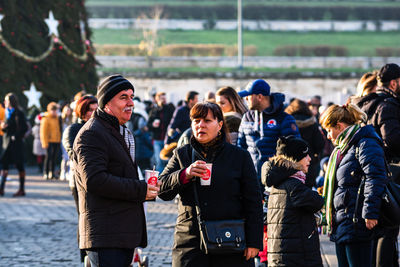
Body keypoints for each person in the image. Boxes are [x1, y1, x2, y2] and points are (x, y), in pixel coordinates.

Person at [158, 102, 263, 267]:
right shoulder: (182, 154)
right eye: (196, 121)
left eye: (207, 121)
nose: (201, 125)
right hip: (191, 241)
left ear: (219, 124)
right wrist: (184, 174)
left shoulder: (239, 157)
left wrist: (254, 241)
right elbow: (162, 189)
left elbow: (253, 201)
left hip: (230, 238)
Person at [72, 75, 160, 267]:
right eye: (123, 97)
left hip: (122, 232)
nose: (131, 103)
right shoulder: (92, 133)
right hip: (106, 235)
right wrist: (140, 189)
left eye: (132, 97)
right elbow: (95, 180)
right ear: (106, 103)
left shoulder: (121, 130)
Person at [319, 104, 387, 267]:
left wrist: (370, 212)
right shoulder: (342, 149)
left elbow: (375, 177)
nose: (328, 136)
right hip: (343, 222)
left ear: (339, 126)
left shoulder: (365, 143)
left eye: (329, 130)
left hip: (358, 221)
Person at [352, 64, 400, 267]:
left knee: (378, 228)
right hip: (387, 170)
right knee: (388, 228)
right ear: (394, 83)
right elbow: (393, 139)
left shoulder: (365, 103)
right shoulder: (387, 105)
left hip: (366, 169)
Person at [261, 135, 324, 267]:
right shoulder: (293, 186)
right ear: (295, 159)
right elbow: (317, 202)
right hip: (296, 258)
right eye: (305, 155)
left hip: (283, 256)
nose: (310, 159)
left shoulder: (278, 183)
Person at [237, 79, 300, 177]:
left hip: (275, 180)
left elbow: (295, 149)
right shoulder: (246, 117)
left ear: (259, 97)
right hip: (251, 178)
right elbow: (240, 147)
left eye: (249, 96)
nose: (246, 99)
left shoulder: (284, 118)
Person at [285, 99, 325, 188]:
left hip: (290, 163)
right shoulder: (312, 123)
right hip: (308, 163)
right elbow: (320, 144)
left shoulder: (287, 122)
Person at [0, 93, 28, 197]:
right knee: (4, 166)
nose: (4, 102)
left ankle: (21, 189)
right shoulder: (6, 112)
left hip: (16, 144)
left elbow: (24, 128)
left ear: (11, 102)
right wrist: (3, 127)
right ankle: (1, 188)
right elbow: (7, 128)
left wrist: (15, 136)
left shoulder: (19, 113)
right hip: (6, 143)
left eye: (6, 100)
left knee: (20, 166)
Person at [147, 92, 175, 172]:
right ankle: (160, 179)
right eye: (162, 98)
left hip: (168, 140)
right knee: (159, 161)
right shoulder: (154, 110)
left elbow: (173, 123)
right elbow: (148, 125)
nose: (164, 100)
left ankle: (168, 178)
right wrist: (153, 125)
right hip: (157, 139)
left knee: (169, 160)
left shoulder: (169, 109)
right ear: (157, 99)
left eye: (165, 98)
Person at [40, 102, 62, 180]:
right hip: (49, 141)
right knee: (48, 157)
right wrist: (44, 142)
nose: (54, 112)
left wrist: (59, 139)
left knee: (54, 157)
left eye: (55, 110)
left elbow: (59, 129)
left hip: (56, 140)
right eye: (52, 110)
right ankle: (46, 172)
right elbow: (43, 132)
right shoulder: (45, 118)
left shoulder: (57, 118)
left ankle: (52, 173)